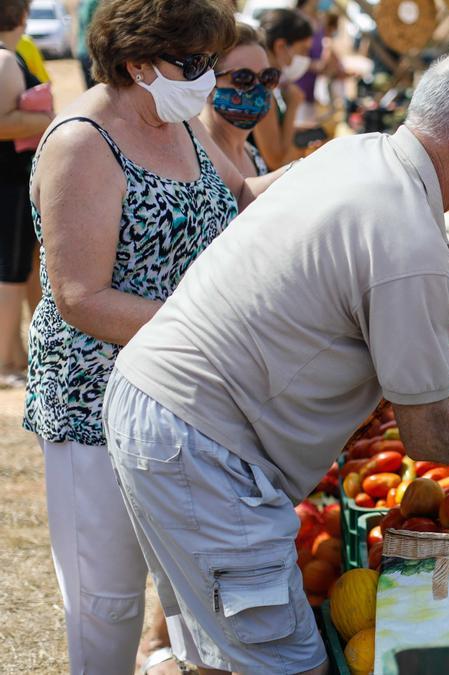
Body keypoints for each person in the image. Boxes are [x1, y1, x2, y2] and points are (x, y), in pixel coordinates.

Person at [104, 49, 449, 672]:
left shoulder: (360, 154)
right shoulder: (402, 227)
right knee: (288, 664)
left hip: (162, 413)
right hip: (201, 446)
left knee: (224, 657)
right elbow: (430, 433)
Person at [25, 0, 291, 672]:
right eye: (192, 62)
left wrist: (339, 174)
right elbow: (81, 298)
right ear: (137, 59)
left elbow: (244, 197)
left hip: (183, 403)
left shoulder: (177, 120)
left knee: (187, 599)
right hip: (97, 409)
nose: (205, 76)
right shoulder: (83, 141)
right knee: (107, 606)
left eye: (209, 60)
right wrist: (206, 328)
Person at [0, 0, 51, 388]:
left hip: (16, 181)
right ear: (21, 15)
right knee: (11, 272)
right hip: (12, 181)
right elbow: (4, 124)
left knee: (22, 269)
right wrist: (49, 118)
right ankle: (6, 364)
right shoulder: (4, 60)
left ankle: (20, 355)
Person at [200, 23, 278, 177]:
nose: (258, 88)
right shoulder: (194, 155)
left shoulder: (252, 153)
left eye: (267, 77)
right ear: (207, 81)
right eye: (243, 78)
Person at [253, 7, 314, 169]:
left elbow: (275, 130)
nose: (306, 59)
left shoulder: (269, 84)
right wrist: (293, 107)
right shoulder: (260, 89)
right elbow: (276, 161)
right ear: (281, 46)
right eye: (303, 50)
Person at [74, 0, 101, 88]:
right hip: (90, 51)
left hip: (82, 49)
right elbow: (94, 25)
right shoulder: (93, 2)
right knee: (96, 87)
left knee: (90, 87)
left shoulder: (84, 3)